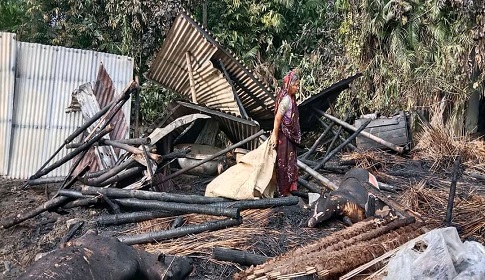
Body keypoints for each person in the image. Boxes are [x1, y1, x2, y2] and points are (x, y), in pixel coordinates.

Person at [270, 70, 301, 197]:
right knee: (284, 163)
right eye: (296, 85)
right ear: (289, 85)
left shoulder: (291, 98)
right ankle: (283, 191)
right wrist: (275, 135)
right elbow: (278, 118)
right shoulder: (286, 99)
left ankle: (288, 188)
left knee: (290, 161)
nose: (297, 88)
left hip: (289, 137)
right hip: (284, 136)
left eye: (298, 85)